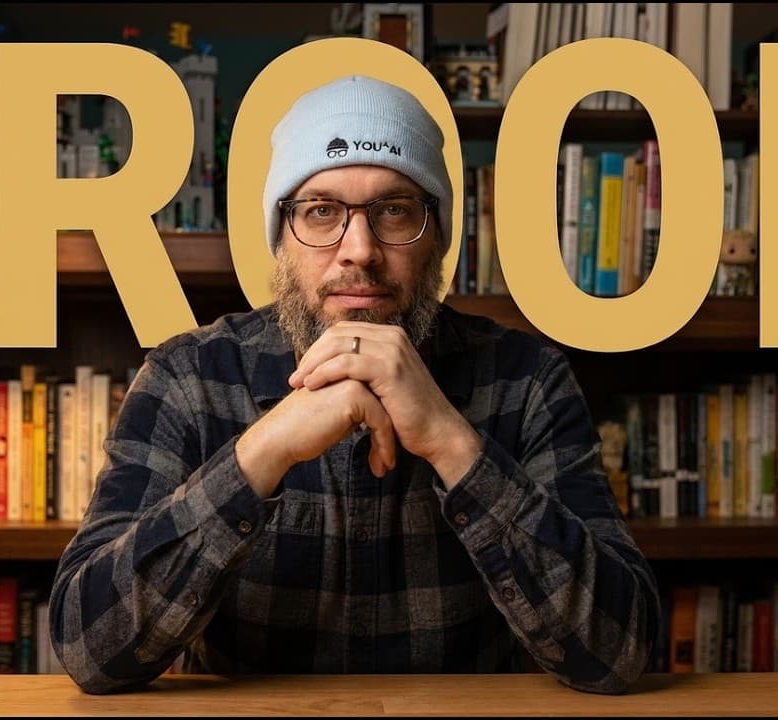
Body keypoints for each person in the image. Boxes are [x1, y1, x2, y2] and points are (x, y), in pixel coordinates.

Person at [49, 75, 660, 695]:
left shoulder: (526, 379)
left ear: (438, 236)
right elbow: (88, 650)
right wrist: (261, 454)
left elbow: (619, 653)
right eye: (321, 211)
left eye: (394, 210)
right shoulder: (189, 377)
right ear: (281, 238)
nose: (359, 251)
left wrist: (454, 443)